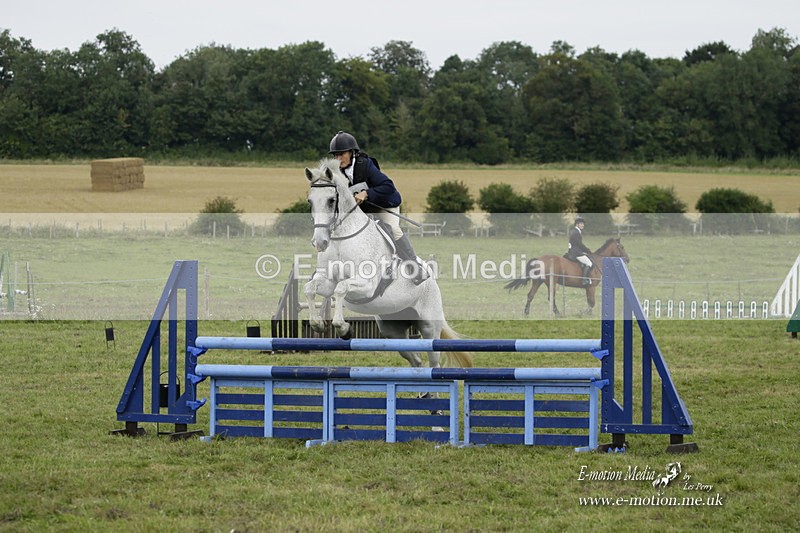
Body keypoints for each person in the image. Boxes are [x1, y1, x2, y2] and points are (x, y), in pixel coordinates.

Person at [328, 131, 427, 284]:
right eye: (335, 155)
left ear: (352, 152)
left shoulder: (365, 165)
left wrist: (366, 193)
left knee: (393, 229)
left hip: (384, 204)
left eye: (342, 154)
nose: (338, 159)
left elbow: (388, 186)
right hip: (363, 210)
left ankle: (414, 268)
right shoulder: (336, 172)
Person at [566, 217, 594, 286]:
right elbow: (580, 244)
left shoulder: (575, 232)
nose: (583, 225)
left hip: (574, 251)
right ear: (577, 224)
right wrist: (587, 250)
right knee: (589, 263)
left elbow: (577, 244)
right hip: (576, 253)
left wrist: (585, 251)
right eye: (581, 224)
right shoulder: (576, 233)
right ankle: (584, 280)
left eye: (583, 224)